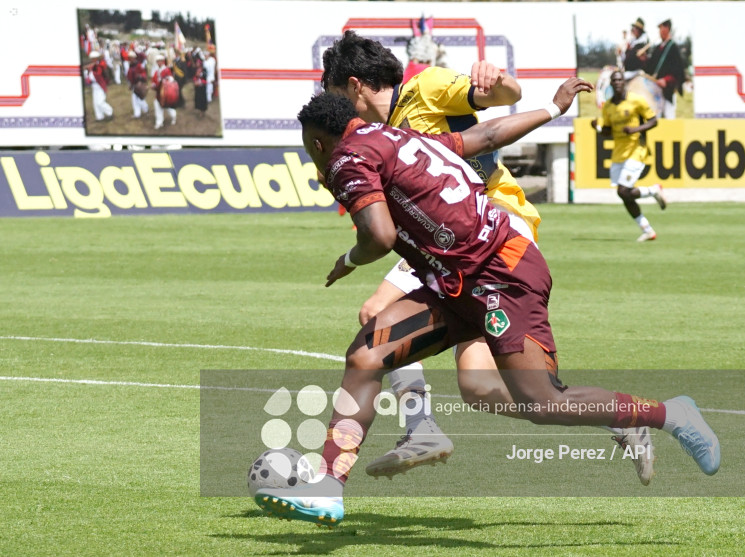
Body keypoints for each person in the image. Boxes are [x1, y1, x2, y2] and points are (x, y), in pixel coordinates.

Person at [254, 86, 721, 526]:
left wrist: (349, 259)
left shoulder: (345, 157)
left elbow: (380, 236)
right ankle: (329, 488)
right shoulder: (399, 136)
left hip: (502, 273)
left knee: (542, 402)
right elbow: (484, 137)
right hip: (454, 280)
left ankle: (670, 414)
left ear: (317, 142)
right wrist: (553, 110)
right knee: (366, 354)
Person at [320, 31, 655, 485]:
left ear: (354, 84)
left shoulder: (426, 87)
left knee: (375, 311)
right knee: (478, 387)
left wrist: (496, 80)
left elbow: (501, 99)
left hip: (490, 225)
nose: (336, 110)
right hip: (452, 243)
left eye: (335, 93)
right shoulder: (373, 137)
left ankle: (418, 431)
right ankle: (618, 417)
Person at [591, 70, 667, 242]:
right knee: (623, 194)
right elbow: (608, 131)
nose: (617, 83)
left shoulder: (636, 100)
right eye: (614, 81)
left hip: (636, 149)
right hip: (619, 152)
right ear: (611, 84)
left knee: (623, 190)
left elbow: (653, 121)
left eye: (620, 80)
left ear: (624, 82)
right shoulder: (609, 106)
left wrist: (635, 130)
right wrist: (597, 128)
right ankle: (647, 229)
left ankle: (654, 190)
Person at [646, 19, 685, 119]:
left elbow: (678, 70)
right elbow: (650, 66)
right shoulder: (658, 47)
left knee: (669, 116)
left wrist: (666, 80)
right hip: (656, 89)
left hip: (668, 90)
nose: (660, 31)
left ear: (667, 28)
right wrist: (643, 59)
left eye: (662, 28)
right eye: (659, 29)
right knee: (656, 117)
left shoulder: (673, 47)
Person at [84, 51, 113, 122]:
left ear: (96, 58)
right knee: (96, 102)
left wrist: (90, 69)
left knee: (100, 102)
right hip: (94, 85)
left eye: (93, 58)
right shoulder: (95, 65)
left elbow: (98, 74)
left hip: (100, 85)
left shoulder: (100, 65)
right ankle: (100, 116)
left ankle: (110, 112)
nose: (91, 60)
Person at [151, 54, 177, 129]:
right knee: (157, 106)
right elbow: (154, 80)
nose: (158, 63)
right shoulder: (156, 71)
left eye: (159, 61)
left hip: (165, 93)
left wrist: (165, 81)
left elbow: (171, 80)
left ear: (162, 62)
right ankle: (159, 122)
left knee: (168, 107)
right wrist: (153, 84)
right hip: (158, 93)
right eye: (157, 61)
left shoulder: (166, 70)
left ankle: (173, 116)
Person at [127, 53, 149, 120]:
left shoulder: (138, 65)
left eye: (131, 57)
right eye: (129, 58)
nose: (130, 59)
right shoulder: (131, 65)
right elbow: (130, 75)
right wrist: (131, 84)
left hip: (139, 85)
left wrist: (140, 79)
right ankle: (137, 113)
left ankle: (145, 109)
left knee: (140, 99)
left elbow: (144, 74)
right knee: (135, 100)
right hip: (134, 85)